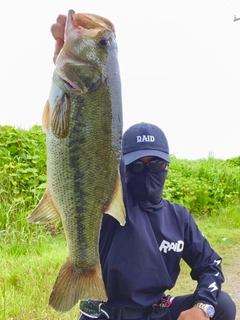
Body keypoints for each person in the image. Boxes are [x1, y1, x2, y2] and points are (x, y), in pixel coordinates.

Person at [50, 15, 236, 320]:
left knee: (224, 306)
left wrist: (203, 307)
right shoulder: (112, 208)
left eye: (157, 164)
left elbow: (211, 266)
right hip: (108, 314)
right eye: (137, 166)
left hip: (156, 313)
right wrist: (69, 66)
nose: (147, 173)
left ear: (167, 166)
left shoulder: (179, 218)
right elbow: (88, 149)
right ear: (122, 167)